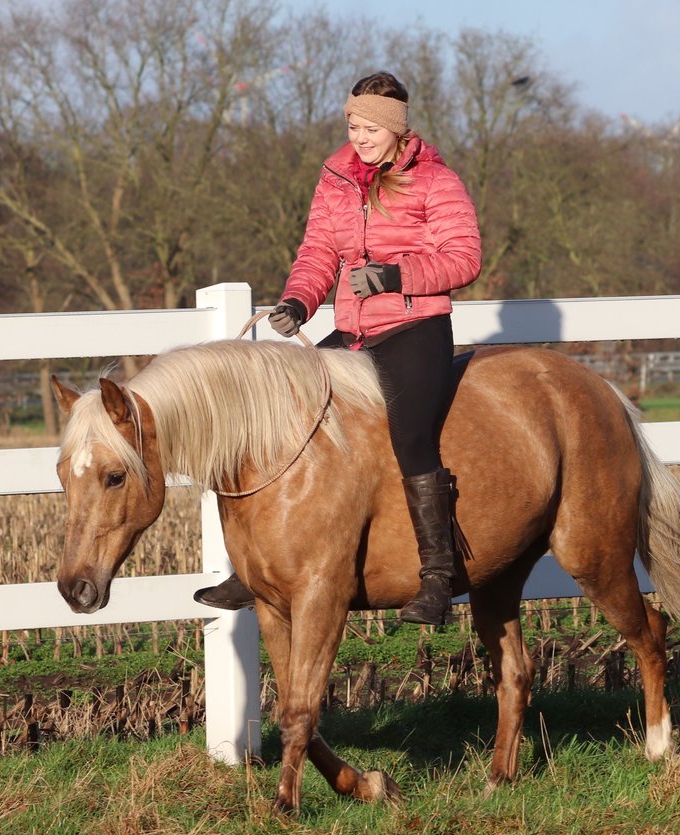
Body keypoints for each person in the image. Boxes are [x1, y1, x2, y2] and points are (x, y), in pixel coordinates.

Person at [195, 71, 482, 626]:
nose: (360, 135)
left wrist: (396, 276)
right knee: (284, 413)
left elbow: (464, 258)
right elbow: (318, 251)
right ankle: (253, 568)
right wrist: (299, 302)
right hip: (355, 333)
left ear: (396, 129)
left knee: (411, 434)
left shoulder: (435, 181)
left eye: (371, 126)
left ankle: (438, 577)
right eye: (353, 123)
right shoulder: (335, 179)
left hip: (415, 327)